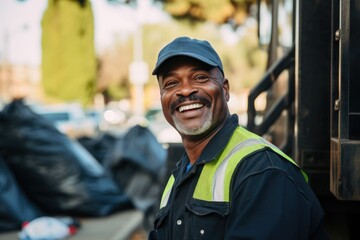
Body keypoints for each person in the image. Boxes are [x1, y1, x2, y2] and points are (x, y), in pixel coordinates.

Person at [148, 36, 328, 240]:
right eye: (172, 83)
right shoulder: (179, 176)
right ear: (162, 98)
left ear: (225, 89)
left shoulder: (263, 172)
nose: (186, 90)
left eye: (200, 77)